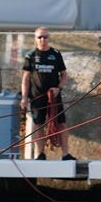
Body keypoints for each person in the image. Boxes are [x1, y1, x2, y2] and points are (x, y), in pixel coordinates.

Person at [21, 28, 76, 161]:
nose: (42, 40)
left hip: (54, 96)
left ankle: (65, 154)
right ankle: (40, 153)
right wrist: (24, 97)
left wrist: (58, 88)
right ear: (35, 39)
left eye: (45, 37)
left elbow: (63, 75)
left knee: (61, 123)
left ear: (49, 38)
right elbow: (26, 78)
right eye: (39, 37)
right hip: (36, 96)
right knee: (39, 124)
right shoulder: (31, 55)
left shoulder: (56, 54)